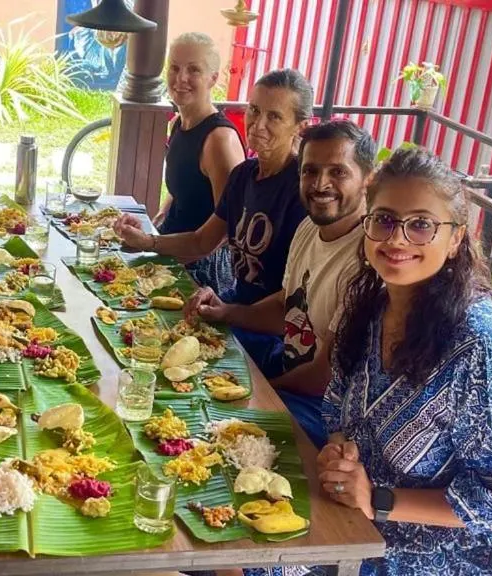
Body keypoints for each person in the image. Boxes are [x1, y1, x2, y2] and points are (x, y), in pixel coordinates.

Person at [316, 146, 492, 574]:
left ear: (455, 239)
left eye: (421, 225)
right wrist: (339, 457)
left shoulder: (482, 348)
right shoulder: (372, 309)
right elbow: (337, 404)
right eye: (384, 219)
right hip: (369, 523)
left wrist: (378, 500)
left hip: (465, 556)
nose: (396, 239)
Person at [185, 120, 377, 449]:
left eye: (338, 172)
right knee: (195, 345)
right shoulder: (308, 228)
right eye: (310, 171)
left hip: (325, 408)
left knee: (211, 424)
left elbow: (323, 377)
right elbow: (284, 306)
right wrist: (225, 311)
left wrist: (261, 391)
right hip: (287, 362)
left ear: (367, 180)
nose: (321, 184)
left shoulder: (366, 259)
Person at [114, 69, 310, 375]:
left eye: (274, 117)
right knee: (138, 330)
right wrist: (147, 242)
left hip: (270, 334)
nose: (258, 124)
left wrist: (229, 312)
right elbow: (202, 241)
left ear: (300, 126)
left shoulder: (301, 192)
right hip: (233, 304)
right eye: (254, 110)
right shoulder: (244, 175)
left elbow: (292, 306)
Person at [154, 32, 246, 295]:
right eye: (174, 68)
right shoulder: (178, 124)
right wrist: (158, 219)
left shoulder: (219, 140)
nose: (181, 78)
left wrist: (152, 244)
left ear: (213, 78)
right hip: (170, 246)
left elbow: (227, 230)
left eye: (193, 70)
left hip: (203, 269)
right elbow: (182, 188)